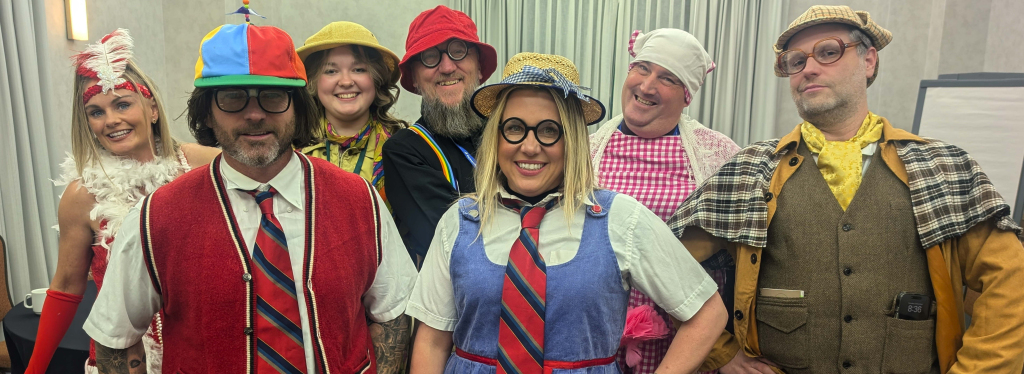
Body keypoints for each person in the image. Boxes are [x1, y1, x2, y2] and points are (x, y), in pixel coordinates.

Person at [669, 5, 1024, 373]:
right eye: (794, 61)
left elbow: (1011, 284)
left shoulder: (943, 168)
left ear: (869, 61)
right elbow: (667, 266)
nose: (808, 68)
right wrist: (722, 353)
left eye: (828, 52)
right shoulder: (750, 170)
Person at [83, 23, 417, 373]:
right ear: (207, 110)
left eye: (272, 95)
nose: (254, 113)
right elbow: (114, 340)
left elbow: (392, 317)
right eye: (232, 97)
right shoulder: (156, 216)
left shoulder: (359, 200)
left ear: (299, 106)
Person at [407, 52, 728, 374]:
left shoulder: (621, 219)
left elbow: (707, 313)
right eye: (515, 128)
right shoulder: (461, 221)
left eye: (549, 131)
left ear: (572, 140)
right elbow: (433, 341)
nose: (530, 147)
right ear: (496, 137)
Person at [26, 28, 220, 374]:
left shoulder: (202, 165)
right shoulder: (82, 195)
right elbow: (67, 285)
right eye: (95, 112)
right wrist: (34, 369)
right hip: (124, 362)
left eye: (122, 104)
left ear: (152, 110)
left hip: (206, 352)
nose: (111, 120)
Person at [588, 28, 740, 374]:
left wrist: (728, 351)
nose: (646, 85)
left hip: (687, 344)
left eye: (667, 78)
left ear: (687, 96)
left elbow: (741, 261)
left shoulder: (719, 157)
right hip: (596, 337)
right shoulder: (585, 152)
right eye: (642, 68)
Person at [382, 5, 498, 265]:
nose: (446, 67)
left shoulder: (509, 132)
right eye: (429, 56)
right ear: (415, 77)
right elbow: (455, 244)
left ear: (479, 67)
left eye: (459, 51)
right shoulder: (404, 153)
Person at [296, 21, 407, 203]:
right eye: (331, 71)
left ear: (376, 79)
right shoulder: (291, 146)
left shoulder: (403, 148)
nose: (346, 81)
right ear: (313, 82)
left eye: (358, 69)